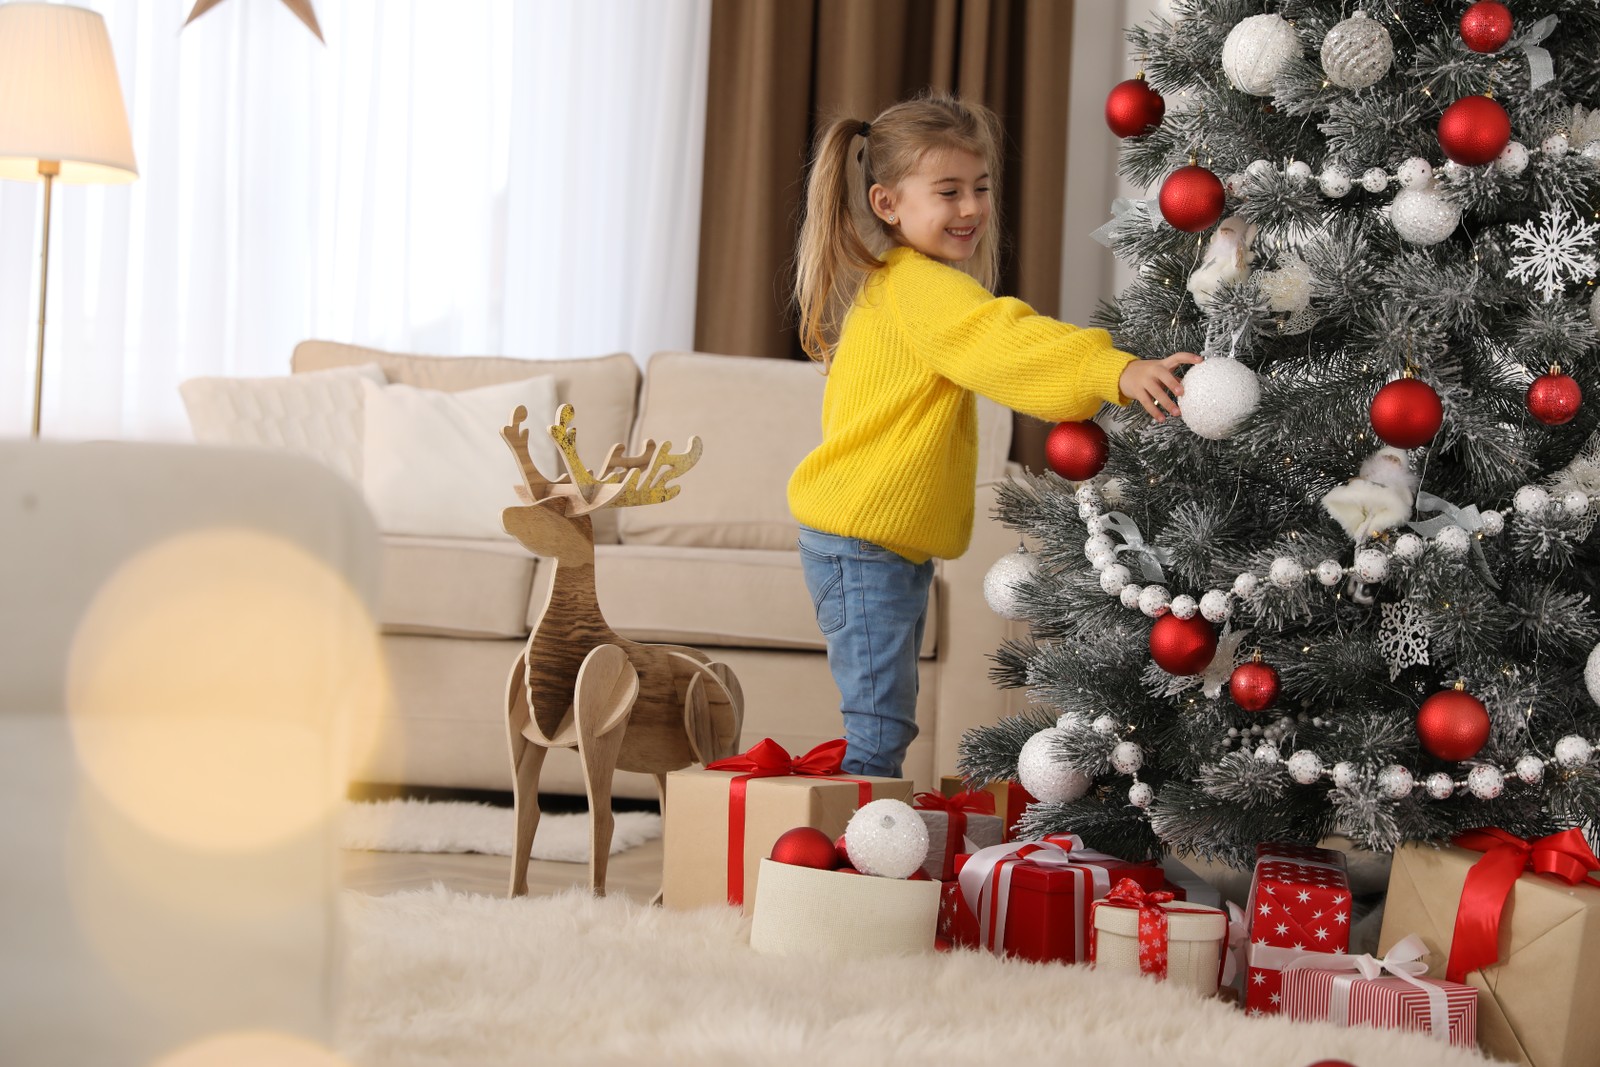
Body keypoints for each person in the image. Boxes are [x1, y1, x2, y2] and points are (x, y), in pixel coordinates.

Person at [787, 91, 1198, 778]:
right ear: (888, 203)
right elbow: (1006, 343)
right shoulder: (922, 288)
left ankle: (871, 834)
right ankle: (861, 854)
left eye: (978, 188)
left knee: (885, 711)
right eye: (947, 192)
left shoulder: (906, 281)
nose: (971, 208)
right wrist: (1112, 369)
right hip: (862, 541)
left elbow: (997, 340)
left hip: (876, 539)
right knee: (880, 719)